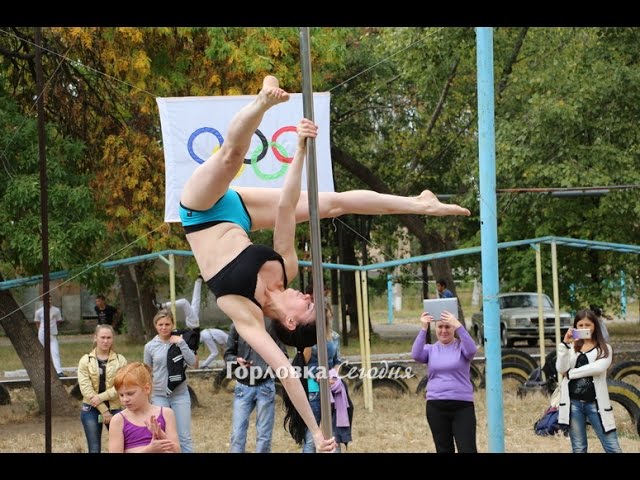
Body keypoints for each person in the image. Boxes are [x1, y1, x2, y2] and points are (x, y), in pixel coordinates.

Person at [178, 75, 470, 452]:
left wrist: (316, 432)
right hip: (240, 213)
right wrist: (299, 149)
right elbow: (286, 208)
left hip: (200, 212)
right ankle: (420, 203)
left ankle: (263, 101)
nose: (307, 295)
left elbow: (285, 373)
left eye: (308, 305)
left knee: (232, 157)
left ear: (291, 321)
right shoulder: (286, 269)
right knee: (330, 204)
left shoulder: (243, 312)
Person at [411, 310, 478, 453]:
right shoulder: (430, 350)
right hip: (436, 406)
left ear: (453, 328)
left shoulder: (462, 347)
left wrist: (459, 325)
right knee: (443, 449)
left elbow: (472, 350)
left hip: (462, 406)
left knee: (467, 448)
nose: (443, 331)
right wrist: (423, 328)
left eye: (448, 327)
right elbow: (416, 355)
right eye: (440, 327)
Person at [556, 309, 622, 453]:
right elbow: (561, 368)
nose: (584, 328)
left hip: (596, 404)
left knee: (612, 447)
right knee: (579, 448)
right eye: (580, 325)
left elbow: (598, 368)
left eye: (588, 324)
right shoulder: (571, 348)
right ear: (575, 327)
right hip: (573, 404)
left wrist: (570, 374)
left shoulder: (604, 349)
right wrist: (564, 344)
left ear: (595, 326)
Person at [223, 320, 286, 453]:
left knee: (264, 435)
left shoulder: (271, 326)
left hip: (265, 386)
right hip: (242, 387)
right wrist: (236, 360)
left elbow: (283, 355)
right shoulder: (237, 326)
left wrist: (268, 368)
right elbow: (228, 355)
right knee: (237, 434)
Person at [143, 309, 197, 453]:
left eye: (167, 324)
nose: (164, 327)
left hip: (180, 394)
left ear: (173, 324)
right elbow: (146, 372)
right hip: (159, 395)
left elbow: (193, 362)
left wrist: (181, 343)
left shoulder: (180, 341)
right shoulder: (150, 346)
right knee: (161, 435)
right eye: (160, 324)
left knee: (183, 436)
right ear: (155, 325)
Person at [302, 305, 352, 453]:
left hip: (332, 389)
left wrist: (334, 377)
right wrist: (309, 342)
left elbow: (337, 361)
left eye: (328, 313)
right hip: (313, 389)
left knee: (333, 436)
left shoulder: (335, 336)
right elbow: (303, 362)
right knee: (312, 437)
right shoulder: (307, 335)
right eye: (326, 314)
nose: (329, 316)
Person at [77, 324, 128, 453]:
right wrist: (103, 410)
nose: (105, 341)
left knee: (120, 447)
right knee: (94, 449)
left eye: (109, 337)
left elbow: (121, 386)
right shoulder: (85, 360)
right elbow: (85, 388)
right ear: (95, 338)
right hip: (91, 409)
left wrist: (101, 397)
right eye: (102, 337)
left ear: (113, 339)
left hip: (115, 408)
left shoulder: (120, 360)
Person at [109, 362, 180, 453]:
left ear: (147, 389)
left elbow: (177, 451)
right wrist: (148, 450)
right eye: (121, 395)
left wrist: (161, 435)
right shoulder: (118, 420)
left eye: (130, 393)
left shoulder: (166, 413)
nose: (125, 399)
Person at [34, 298, 64, 377]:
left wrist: (53, 329)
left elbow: (58, 321)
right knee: (42, 352)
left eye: (50, 300)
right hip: (42, 334)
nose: (49, 301)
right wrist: (41, 330)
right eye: (47, 300)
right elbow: (37, 322)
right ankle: (43, 371)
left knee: (55, 352)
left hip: (52, 334)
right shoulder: (39, 311)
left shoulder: (56, 310)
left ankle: (59, 371)